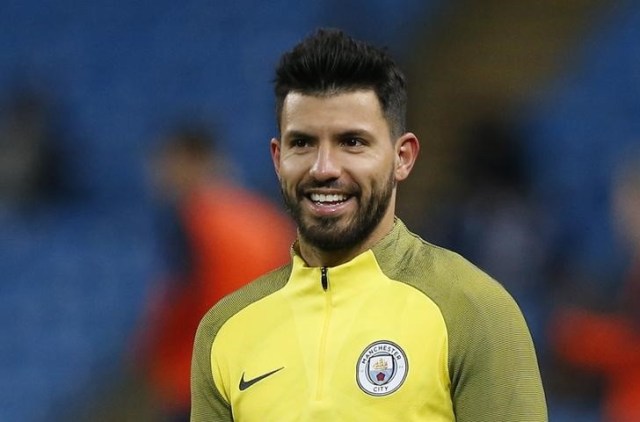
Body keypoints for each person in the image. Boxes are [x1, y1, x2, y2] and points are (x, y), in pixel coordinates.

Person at [191, 28, 547, 421]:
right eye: (303, 143)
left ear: (402, 157)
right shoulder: (224, 330)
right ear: (278, 159)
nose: (324, 168)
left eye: (353, 142)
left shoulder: (473, 309)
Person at [127, 123, 295, 421]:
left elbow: (181, 297)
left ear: (192, 160)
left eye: (167, 162)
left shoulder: (193, 218)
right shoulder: (268, 220)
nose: (158, 174)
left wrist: (149, 349)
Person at [549, 152, 640, 422]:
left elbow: (631, 342)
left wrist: (582, 337)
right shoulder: (630, 267)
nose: (621, 215)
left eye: (631, 203)